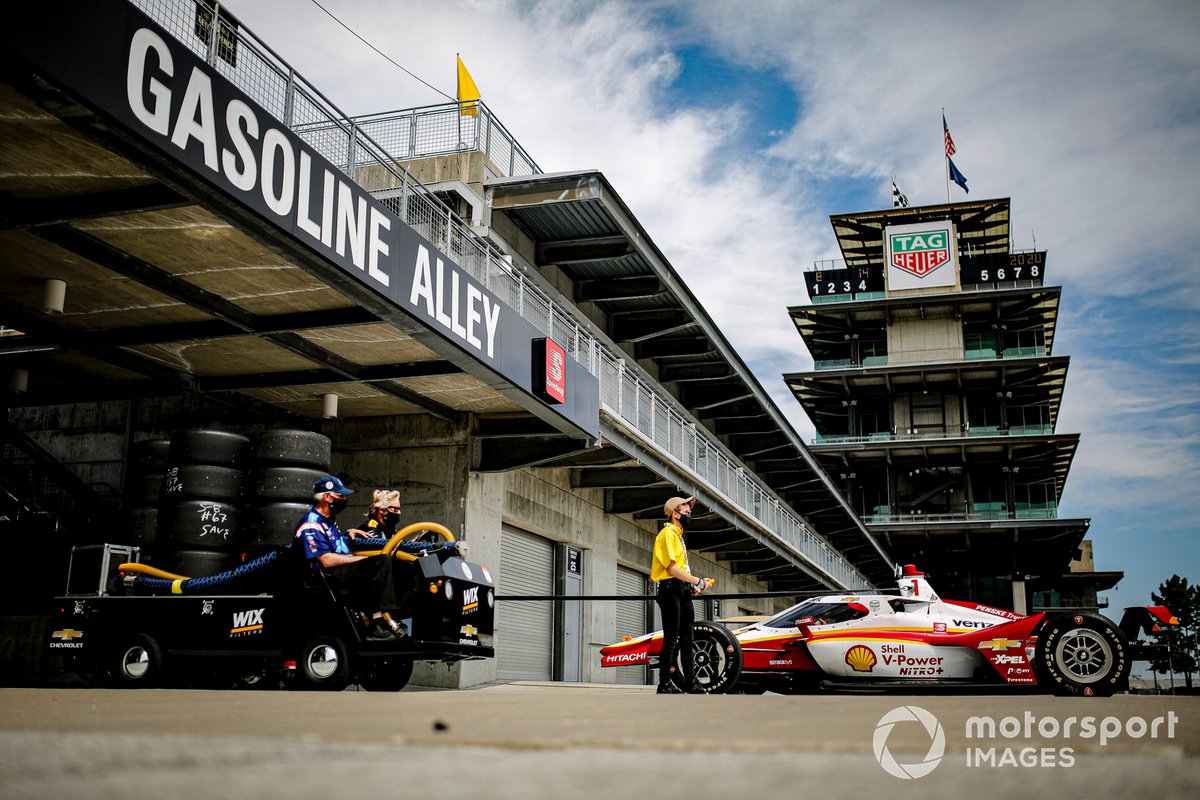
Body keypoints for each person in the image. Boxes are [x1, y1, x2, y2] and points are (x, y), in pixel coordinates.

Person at [295, 475, 406, 641]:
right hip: (325, 578)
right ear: (326, 497)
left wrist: (348, 534)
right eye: (340, 496)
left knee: (395, 566)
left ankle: (384, 620)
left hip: (339, 573)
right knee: (382, 561)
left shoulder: (329, 521)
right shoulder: (311, 523)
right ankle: (379, 623)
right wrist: (359, 559)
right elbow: (325, 560)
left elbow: (336, 546)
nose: (344, 499)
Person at [651, 495, 713, 694]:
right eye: (686, 511)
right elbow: (670, 569)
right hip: (670, 588)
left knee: (687, 637)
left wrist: (691, 585)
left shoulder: (678, 535)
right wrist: (698, 581)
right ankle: (664, 684)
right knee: (671, 638)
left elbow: (680, 569)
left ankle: (690, 682)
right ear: (675, 514)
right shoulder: (667, 534)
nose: (689, 514)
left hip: (681, 588)